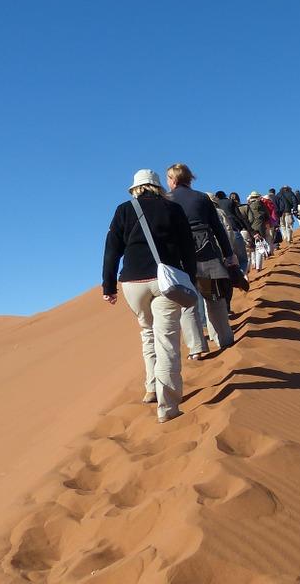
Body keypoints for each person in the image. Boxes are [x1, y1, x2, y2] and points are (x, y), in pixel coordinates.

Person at [102, 169, 196, 423]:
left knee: (147, 333)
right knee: (167, 339)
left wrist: (108, 287)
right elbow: (188, 247)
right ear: (157, 187)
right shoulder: (172, 209)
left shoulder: (123, 210)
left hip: (132, 283)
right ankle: (168, 406)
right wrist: (191, 279)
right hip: (166, 280)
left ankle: (151, 387)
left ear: (135, 188)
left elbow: (112, 250)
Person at [167, 163, 237, 356]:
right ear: (190, 178)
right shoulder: (201, 198)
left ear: (173, 179)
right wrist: (228, 253)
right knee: (214, 298)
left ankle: (196, 348)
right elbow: (218, 228)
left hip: (181, 259)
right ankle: (225, 339)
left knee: (187, 304)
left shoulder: (167, 200)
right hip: (207, 254)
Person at [215, 190, 255, 274]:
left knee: (227, 259)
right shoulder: (230, 202)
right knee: (243, 259)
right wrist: (249, 230)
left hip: (221, 237)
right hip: (234, 230)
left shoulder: (215, 207)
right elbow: (240, 217)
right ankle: (243, 274)